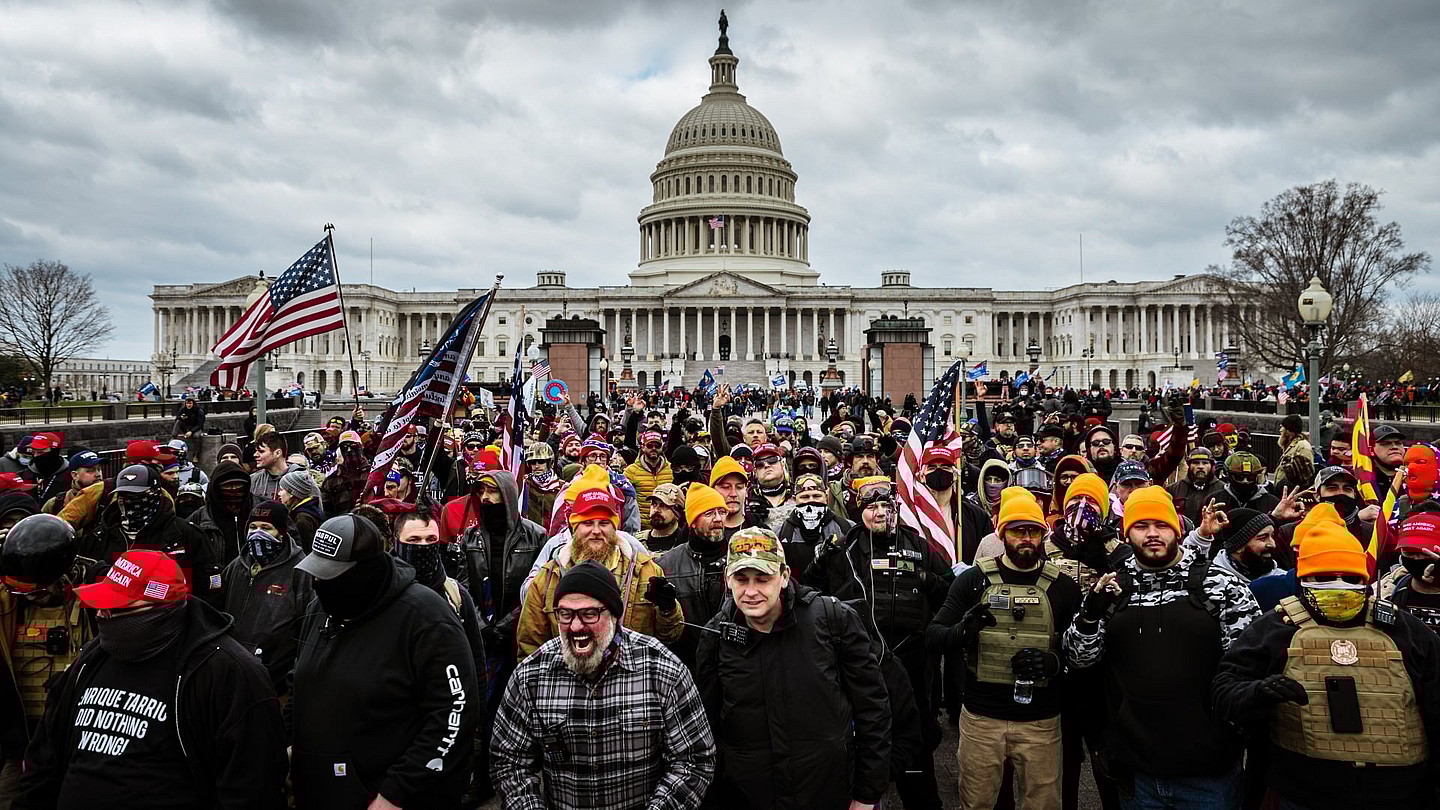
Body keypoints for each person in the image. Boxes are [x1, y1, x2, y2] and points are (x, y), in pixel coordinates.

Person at [14, 549, 288, 809]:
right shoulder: (92, 659)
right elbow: (44, 759)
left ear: (160, 607)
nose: (101, 615)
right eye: (101, 605)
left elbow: (252, 787)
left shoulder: (228, 673)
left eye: (116, 607)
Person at [1212, 520, 1440, 809]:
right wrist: (1258, 694)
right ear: (1303, 579)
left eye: (1350, 578)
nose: (1338, 586)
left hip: (1401, 796)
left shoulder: (1406, 631)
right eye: (1323, 578)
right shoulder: (1274, 628)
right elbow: (1224, 691)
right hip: (1303, 794)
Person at [1062, 486, 1261, 808]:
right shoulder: (1112, 588)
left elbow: (1247, 668)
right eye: (1141, 526)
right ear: (1127, 535)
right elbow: (1079, 659)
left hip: (1208, 774)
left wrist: (1229, 734)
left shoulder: (1221, 585)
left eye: (1162, 525)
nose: (1152, 534)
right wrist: (1090, 614)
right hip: (1137, 772)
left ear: (1178, 530)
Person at [490, 561, 716, 810]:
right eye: (565, 614)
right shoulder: (531, 676)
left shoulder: (662, 669)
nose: (576, 626)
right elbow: (509, 762)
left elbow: (694, 758)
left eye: (589, 614)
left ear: (614, 615)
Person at [290, 514, 480, 809]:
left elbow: (454, 713)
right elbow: (302, 682)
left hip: (387, 798)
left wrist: (395, 792)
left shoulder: (426, 618)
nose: (318, 583)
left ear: (365, 572)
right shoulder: (320, 609)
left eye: (331, 575)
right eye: (317, 573)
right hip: (319, 790)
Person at [697, 527, 891, 809]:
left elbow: (873, 709)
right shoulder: (716, 637)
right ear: (728, 579)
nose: (751, 591)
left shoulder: (832, 620)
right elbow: (707, 729)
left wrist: (866, 794)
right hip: (749, 795)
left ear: (785, 576)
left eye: (763, 578)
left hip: (827, 792)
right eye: (741, 579)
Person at [927, 488, 1082, 810]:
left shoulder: (1063, 587)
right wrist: (963, 631)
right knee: (976, 802)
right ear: (1002, 534)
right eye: (1017, 530)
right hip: (982, 718)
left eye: (1033, 531)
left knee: (1042, 803)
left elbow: (1083, 651)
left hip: (1040, 721)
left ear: (1043, 534)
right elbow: (934, 636)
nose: (1026, 538)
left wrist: (1053, 663)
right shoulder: (972, 581)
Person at [805, 476, 952, 810]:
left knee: (918, 734)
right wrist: (818, 563)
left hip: (913, 656)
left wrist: (928, 581)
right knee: (866, 728)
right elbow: (811, 593)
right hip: (863, 657)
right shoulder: (845, 545)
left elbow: (951, 591)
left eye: (887, 506)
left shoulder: (918, 544)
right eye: (872, 507)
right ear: (861, 511)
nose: (881, 513)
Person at [516, 476, 682, 658]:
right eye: (587, 523)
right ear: (573, 528)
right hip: (568, 680)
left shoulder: (646, 572)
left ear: (615, 528)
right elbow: (530, 646)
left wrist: (668, 610)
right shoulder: (547, 578)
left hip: (632, 680)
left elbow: (671, 637)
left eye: (604, 523)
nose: (596, 531)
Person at [89, 464, 222, 609]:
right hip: (115, 624)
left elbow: (209, 590)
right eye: (123, 495)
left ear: (156, 494)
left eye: (137, 496)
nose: (128, 502)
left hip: (171, 623)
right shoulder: (100, 537)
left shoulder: (186, 535)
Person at [220, 500, 313, 693]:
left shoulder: (300, 571)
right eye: (252, 527)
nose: (257, 533)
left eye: (266, 528)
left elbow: (307, 627)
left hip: (275, 680)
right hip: (231, 671)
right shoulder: (236, 567)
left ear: (281, 532)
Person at [656, 484, 730, 670]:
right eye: (709, 513)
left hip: (733, 664)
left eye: (721, 511)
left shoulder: (740, 557)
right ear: (693, 522)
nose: (718, 518)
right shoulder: (666, 565)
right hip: (686, 664)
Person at [189, 461, 252, 569]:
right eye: (227, 486)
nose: (233, 489)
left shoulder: (261, 509)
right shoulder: (199, 518)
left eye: (238, 485)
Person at [624, 431, 673, 530]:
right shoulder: (631, 471)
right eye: (650, 445)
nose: (654, 448)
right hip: (641, 527)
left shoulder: (671, 469)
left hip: (666, 525)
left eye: (657, 445)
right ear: (642, 447)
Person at [1166, 447, 1224, 527]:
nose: (1200, 466)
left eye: (1205, 463)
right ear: (1188, 465)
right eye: (1196, 463)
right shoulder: (1173, 489)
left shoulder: (1223, 489)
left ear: (1211, 465)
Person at [276, 468, 324, 553]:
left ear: (292, 493)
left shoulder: (302, 520)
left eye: (282, 489)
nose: (279, 493)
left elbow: (304, 550)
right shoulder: (306, 512)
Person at [637, 482, 685, 553]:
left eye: (663, 505)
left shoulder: (684, 545)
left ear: (677, 511)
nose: (656, 510)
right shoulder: (636, 542)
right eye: (654, 504)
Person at [249, 433, 290, 503]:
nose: (255, 455)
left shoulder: (301, 479)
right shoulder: (253, 480)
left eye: (261, 451)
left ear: (277, 453)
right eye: (256, 451)